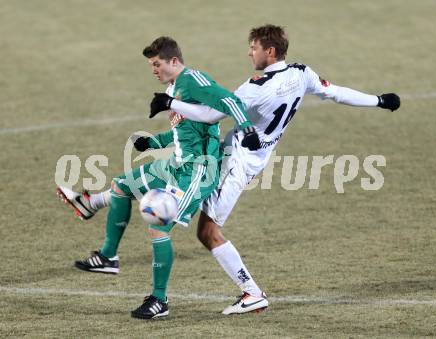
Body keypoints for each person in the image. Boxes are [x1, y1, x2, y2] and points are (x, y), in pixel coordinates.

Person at [148, 24, 401, 315]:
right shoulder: (301, 72)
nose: (249, 52)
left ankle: (251, 293)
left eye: (253, 47)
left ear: (269, 51)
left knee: (208, 232)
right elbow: (337, 93)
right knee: (193, 198)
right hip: (253, 155)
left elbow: (210, 115)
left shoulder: (254, 88)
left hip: (237, 161)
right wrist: (379, 100)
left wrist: (171, 102)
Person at [56, 36, 261, 320]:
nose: (154, 69)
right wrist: (154, 142)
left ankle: (159, 300)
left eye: (157, 64)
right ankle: (107, 257)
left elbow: (229, 100)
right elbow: (185, 132)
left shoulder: (192, 80)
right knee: (121, 185)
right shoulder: (174, 88)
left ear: (174, 61)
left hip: (196, 172)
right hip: (175, 164)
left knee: (158, 228)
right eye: (152, 65)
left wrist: (248, 127)